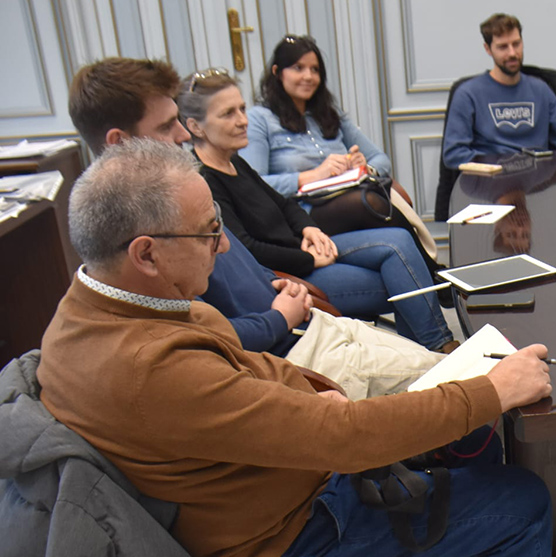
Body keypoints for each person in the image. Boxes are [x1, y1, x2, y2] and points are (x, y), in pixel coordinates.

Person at [38, 138, 555, 557]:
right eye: (210, 231)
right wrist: (491, 390)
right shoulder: (151, 368)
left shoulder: (89, 309)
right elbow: (343, 439)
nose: (223, 245)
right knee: (521, 502)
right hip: (273, 544)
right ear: (146, 255)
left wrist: (310, 398)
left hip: (265, 486)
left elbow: (252, 370)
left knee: (471, 438)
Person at [68, 57, 444, 395]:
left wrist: (274, 280)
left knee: (441, 361)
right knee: (452, 383)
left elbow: (246, 249)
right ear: (120, 142)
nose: (183, 135)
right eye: (168, 126)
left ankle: (440, 345)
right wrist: (280, 313)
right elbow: (209, 339)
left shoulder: (182, 191)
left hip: (303, 322)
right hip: (292, 352)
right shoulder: (145, 240)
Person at [178, 70, 457, 353]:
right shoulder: (205, 181)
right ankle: (437, 348)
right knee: (403, 279)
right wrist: (309, 259)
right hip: (289, 273)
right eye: (228, 114)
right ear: (195, 127)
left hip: (302, 248)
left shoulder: (234, 162)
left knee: (399, 240)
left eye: (241, 109)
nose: (242, 120)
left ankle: (430, 350)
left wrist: (309, 229)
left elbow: (284, 204)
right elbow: (249, 250)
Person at [241, 35, 437, 259]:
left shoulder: (328, 113)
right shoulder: (259, 119)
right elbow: (253, 185)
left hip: (347, 195)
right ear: (277, 72)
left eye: (315, 70)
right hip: (303, 212)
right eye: (298, 68)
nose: (308, 76)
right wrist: (311, 176)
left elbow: (380, 159)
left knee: (375, 207)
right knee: (367, 202)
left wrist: (363, 167)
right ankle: (431, 267)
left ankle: (425, 268)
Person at [442, 13, 556, 169]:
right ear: (488, 49)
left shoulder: (540, 89)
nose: (512, 53)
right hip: (491, 180)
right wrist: (498, 167)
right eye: (503, 47)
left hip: (536, 179)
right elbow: (454, 153)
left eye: (516, 44)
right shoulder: (468, 94)